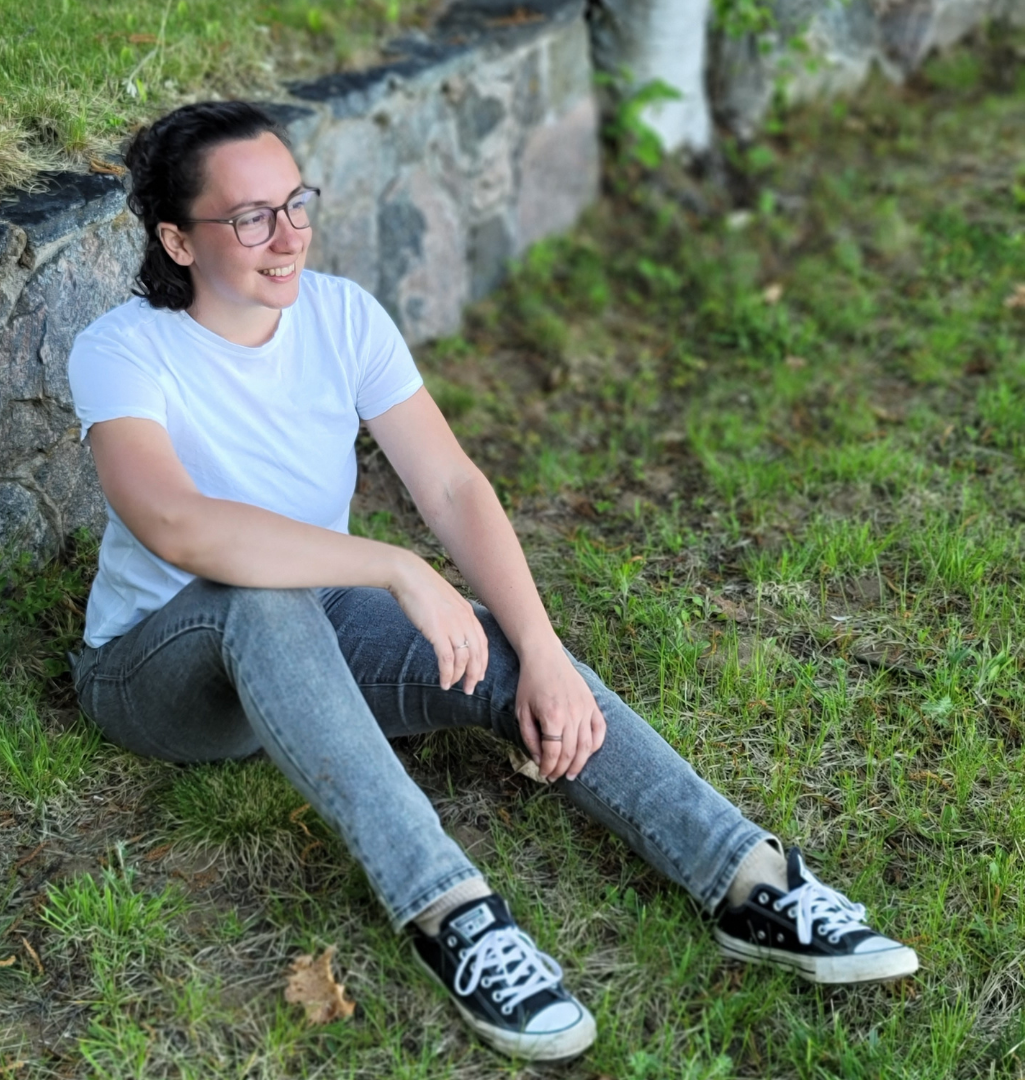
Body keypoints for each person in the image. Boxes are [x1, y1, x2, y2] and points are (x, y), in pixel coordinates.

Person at [67, 100, 918, 1063]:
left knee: (509, 649)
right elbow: (178, 526)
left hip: (319, 629)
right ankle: (455, 916)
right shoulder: (123, 349)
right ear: (178, 239)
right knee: (257, 598)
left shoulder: (342, 316)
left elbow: (452, 484)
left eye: (296, 203)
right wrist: (394, 567)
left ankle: (747, 881)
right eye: (251, 217)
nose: (288, 236)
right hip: (161, 674)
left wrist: (543, 653)